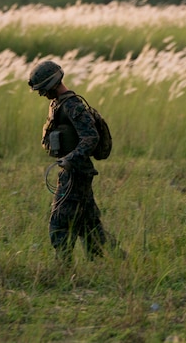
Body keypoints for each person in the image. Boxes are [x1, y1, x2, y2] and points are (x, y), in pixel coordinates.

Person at [30, 60, 118, 259]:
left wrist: (71, 158)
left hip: (76, 172)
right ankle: (112, 261)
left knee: (59, 222)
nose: (41, 94)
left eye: (43, 89)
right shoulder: (58, 104)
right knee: (89, 225)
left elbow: (91, 137)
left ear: (53, 84)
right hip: (74, 170)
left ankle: (64, 268)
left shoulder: (73, 105)